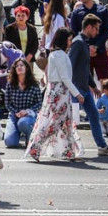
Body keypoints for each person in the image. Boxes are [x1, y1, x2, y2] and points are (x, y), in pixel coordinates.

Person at [29, 28, 86, 162]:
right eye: (69, 39)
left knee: (64, 122)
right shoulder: (60, 54)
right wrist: (77, 94)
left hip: (58, 91)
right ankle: (36, 146)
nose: (71, 42)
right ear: (63, 40)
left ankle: (69, 152)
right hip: (60, 92)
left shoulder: (56, 54)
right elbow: (65, 78)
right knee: (57, 122)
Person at [70, 15, 108, 156]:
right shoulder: (78, 43)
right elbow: (70, 66)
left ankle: (102, 146)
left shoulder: (84, 42)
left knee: (93, 115)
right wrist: (74, 90)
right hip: (77, 89)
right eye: (96, 29)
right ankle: (70, 148)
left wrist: (93, 86)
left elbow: (84, 68)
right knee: (72, 120)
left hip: (84, 89)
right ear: (89, 27)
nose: (97, 32)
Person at [4, 59, 44, 148]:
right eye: (17, 66)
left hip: (29, 116)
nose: (19, 67)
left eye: (21, 65)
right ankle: (16, 133)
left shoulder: (34, 84)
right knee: (10, 142)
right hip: (14, 115)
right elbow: (7, 103)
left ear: (27, 68)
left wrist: (27, 111)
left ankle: (30, 136)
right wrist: (16, 112)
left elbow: (39, 103)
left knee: (23, 122)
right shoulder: (10, 84)